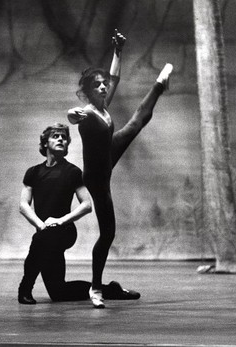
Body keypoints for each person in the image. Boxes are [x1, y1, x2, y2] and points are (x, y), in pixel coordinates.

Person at [67, 30, 173, 308]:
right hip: (97, 177)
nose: (103, 88)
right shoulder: (89, 112)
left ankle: (160, 84)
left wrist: (118, 51)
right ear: (88, 92)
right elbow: (73, 115)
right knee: (108, 234)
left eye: (103, 85)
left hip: (108, 152)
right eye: (97, 86)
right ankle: (95, 288)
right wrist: (72, 115)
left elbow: (114, 78)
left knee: (136, 122)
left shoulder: (103, 106)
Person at [18, 123, 140, 305]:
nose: (61, 139)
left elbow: (86, 205)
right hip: (44, 233)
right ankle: (111, 289)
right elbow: (23, 205)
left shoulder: (73, 172)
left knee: (40, 240)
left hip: (65, 231)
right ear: (45, 143)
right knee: (59, 292)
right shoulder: (33, 172)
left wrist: (59, 221)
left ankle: (25, 288)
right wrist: (39, 224)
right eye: (56, 136)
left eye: (64, 137)